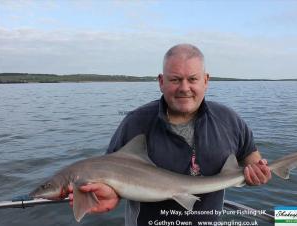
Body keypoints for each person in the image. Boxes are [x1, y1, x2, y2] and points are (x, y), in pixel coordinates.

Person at [69, 44, 271, 225]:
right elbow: (110, 174)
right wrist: (110, 195)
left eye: (192, 79)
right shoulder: (135, 123)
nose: (184, 88)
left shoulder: (229, 120)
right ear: (161, 81)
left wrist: (258, 174)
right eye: (175, 79)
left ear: (206, 80)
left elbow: (253, 160)